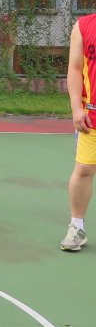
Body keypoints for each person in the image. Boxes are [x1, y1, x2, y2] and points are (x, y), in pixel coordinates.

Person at [60, 13, 96, 251]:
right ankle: (77, 228)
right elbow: (74, 69)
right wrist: (76, 108)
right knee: (83, 170)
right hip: (92, 115)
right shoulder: (84, 26)